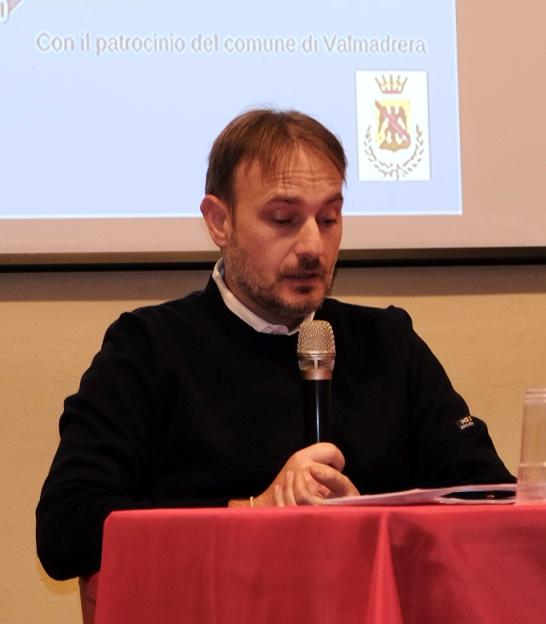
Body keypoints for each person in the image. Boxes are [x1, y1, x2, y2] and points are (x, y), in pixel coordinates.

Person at [36, 108, 513, 582]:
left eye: (328, 218)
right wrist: (250, 514)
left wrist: (371, 525)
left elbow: (491, 498)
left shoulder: (388, 342)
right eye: (284, 219)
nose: (313, 247)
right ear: (219, 222)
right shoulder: (148, 348)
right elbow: (67, 527)